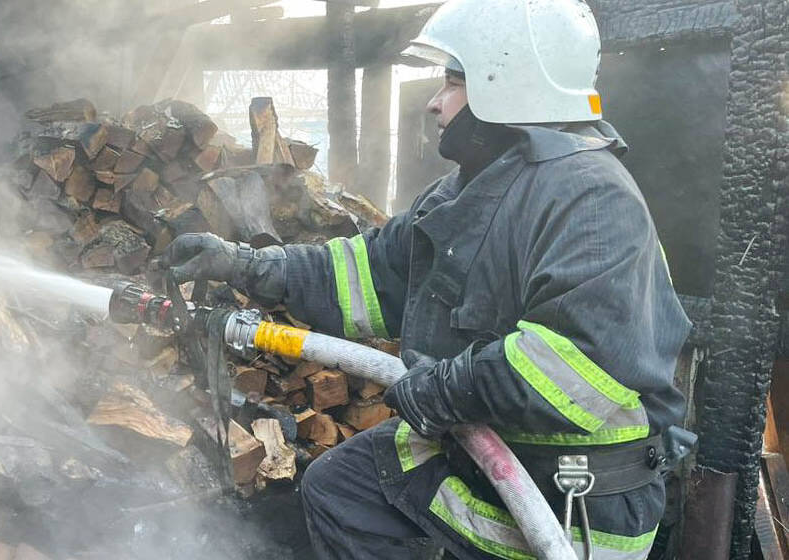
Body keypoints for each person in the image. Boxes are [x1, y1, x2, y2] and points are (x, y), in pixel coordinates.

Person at [159, 0, 692, 558]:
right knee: (340, 486)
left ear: (507, 82)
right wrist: (244, 264)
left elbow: (577, 367)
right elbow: (365, 273)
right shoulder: (470, 189)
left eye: (453, 83)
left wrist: (440, 389)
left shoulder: (589, 197)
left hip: (571, 503)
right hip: (485, 457)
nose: (435, 103)